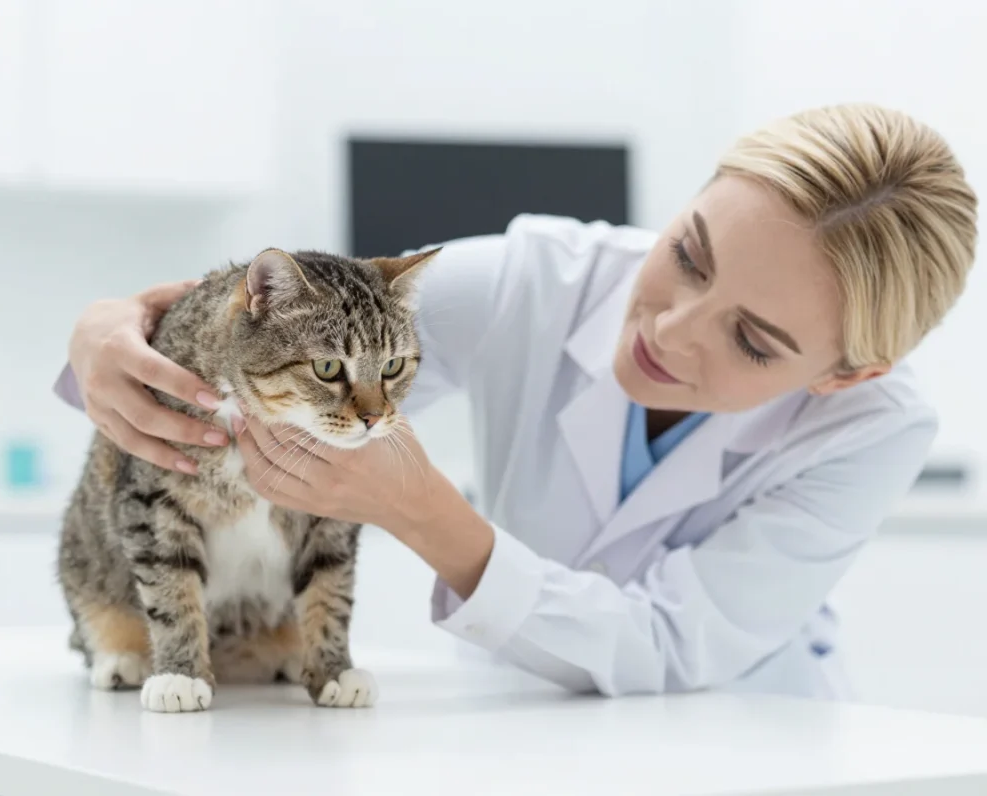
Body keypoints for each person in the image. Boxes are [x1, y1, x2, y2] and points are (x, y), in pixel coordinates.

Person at [54, 103, 978, 700]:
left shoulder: (876, 428)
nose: (671, 329)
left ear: (846, 374)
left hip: (748, 730)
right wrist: (108, 330)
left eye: (751, 340)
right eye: (688, 255)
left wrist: (422, 512)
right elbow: (296, 327)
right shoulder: (541, 276)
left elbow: (668, 644)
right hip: (518, 718)